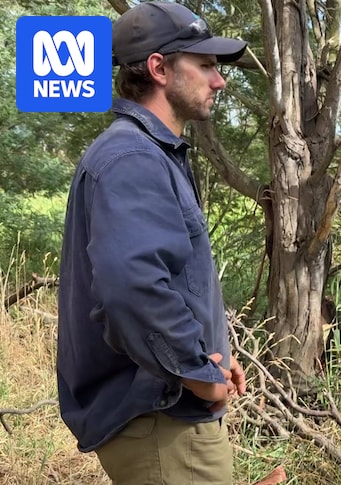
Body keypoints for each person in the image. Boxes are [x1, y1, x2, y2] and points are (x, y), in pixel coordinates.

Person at [57, 2, 248, 483]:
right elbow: (132, 288)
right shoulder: (132, 158)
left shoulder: (148, 153)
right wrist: (197, 374)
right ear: (160, 69)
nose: (219, 81)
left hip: (165, 418)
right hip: (162, 424)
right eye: (205, 65)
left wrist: (208, 353)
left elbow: (167, 278)